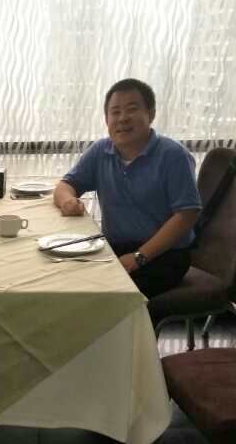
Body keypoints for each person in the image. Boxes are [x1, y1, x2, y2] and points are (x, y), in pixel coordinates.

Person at [53, 78, 201, 299]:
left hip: (165, 254)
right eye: (115, 112)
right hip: (115, 248)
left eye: (132, 109)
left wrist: (139, 257)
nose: (122, 118)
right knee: (61, 276)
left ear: (150, 114)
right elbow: (66, 185)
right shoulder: (101, 151)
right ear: (107, 119)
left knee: (100, 297)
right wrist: (68, 201)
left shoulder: (173, 155)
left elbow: (187, 214)